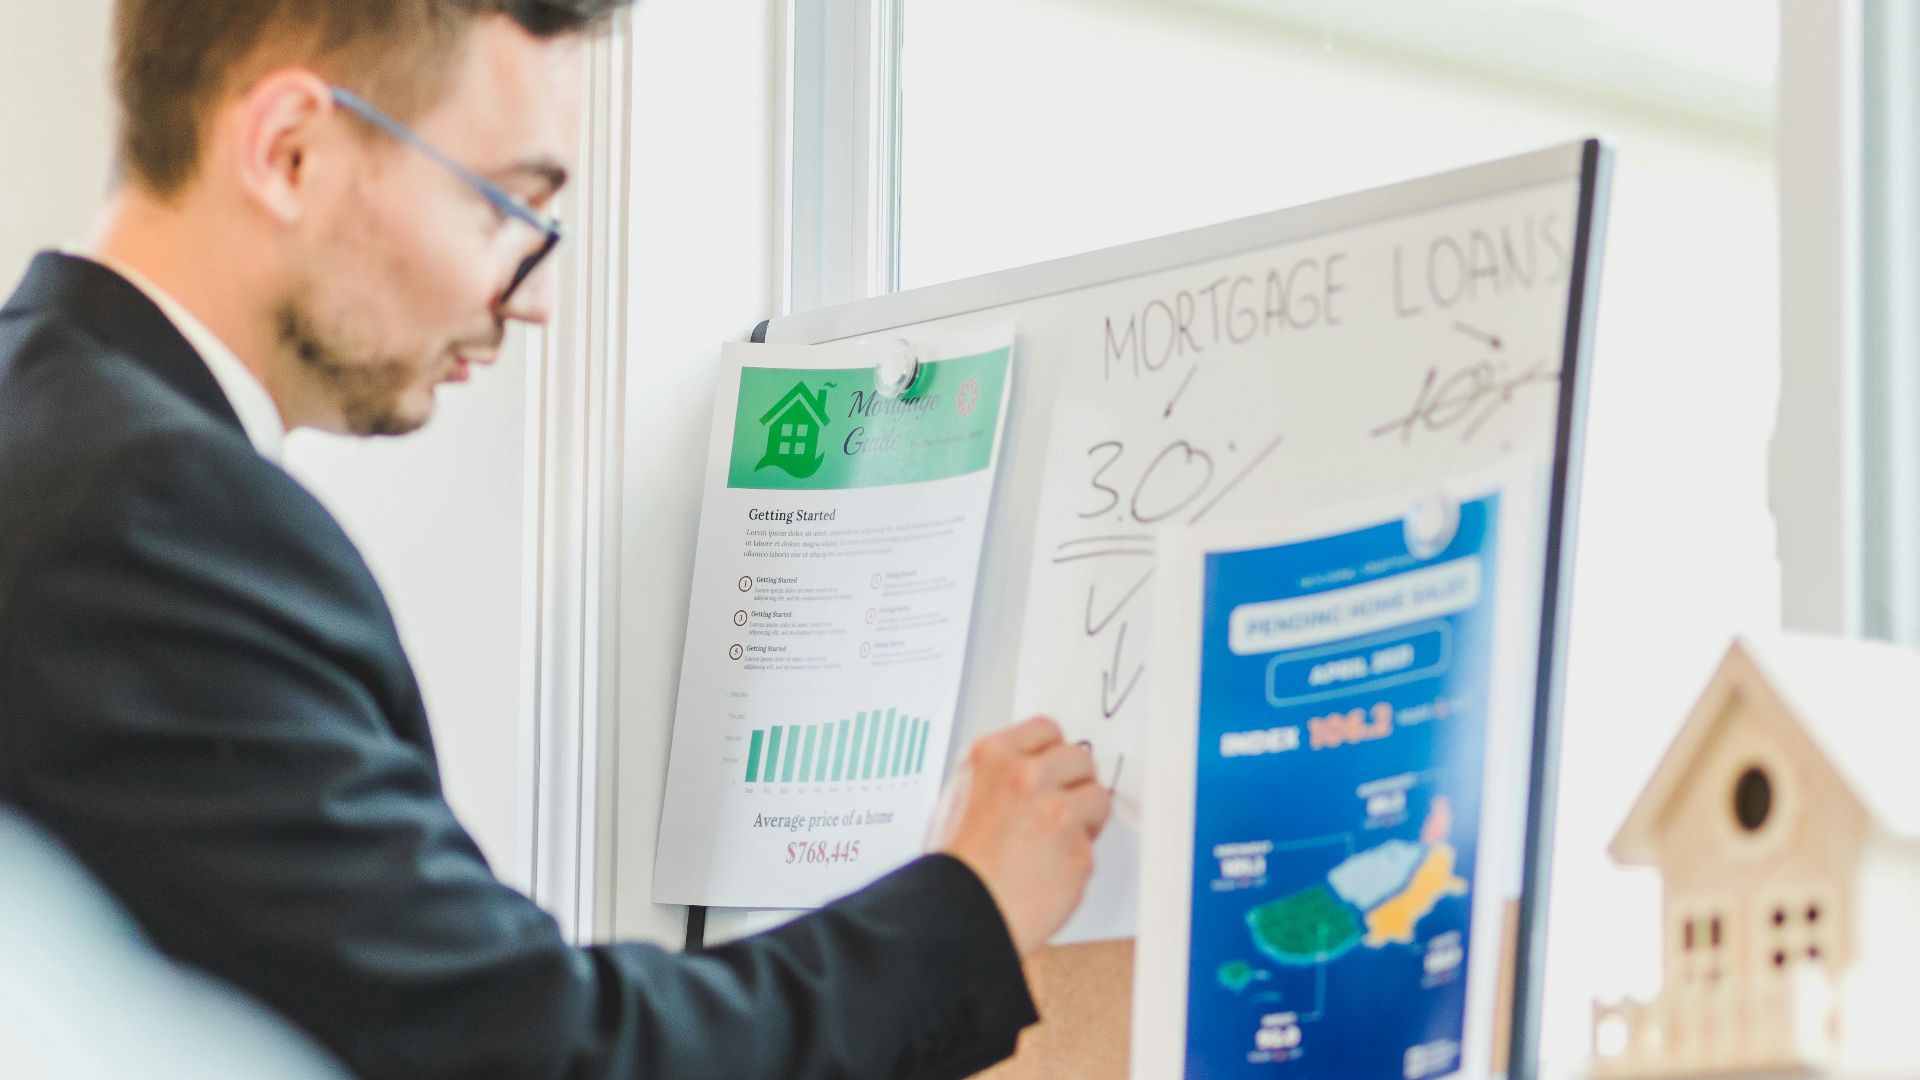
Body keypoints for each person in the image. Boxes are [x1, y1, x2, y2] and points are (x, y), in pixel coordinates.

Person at [0, 2, 1112, 1078]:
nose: (526, 301)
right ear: (291, 151)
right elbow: (517, 1052)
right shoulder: (157, 508)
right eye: (504, 208)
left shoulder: (51, 430)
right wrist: (963, 907)